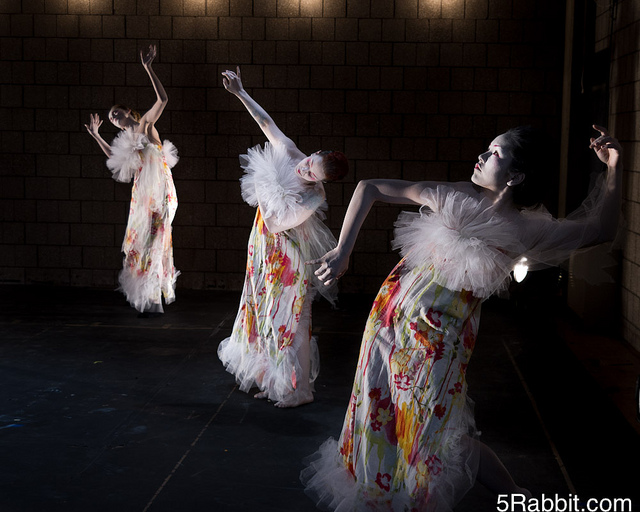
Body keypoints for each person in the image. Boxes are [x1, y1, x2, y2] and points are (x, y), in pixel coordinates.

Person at [301, 125, 622, 510]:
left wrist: (615, 166)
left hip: (441, 340)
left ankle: (516, 498)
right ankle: (380, 495)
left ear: (516, 175)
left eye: (496, 153)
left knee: (436, 434)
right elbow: (369, 186)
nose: (484, 156)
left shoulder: (527, 229)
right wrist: (342, 252)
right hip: (390, 322)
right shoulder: (454, 194)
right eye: (486, 148)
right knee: (377, 410)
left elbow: (601, 230)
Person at [217, 67, 349, 408]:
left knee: (290, 318)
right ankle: (277, 381)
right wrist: (240, 92)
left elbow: (276, 222)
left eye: (311, 173)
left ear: (322, 181)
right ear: (313, 152)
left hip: (287, 256)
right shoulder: (292, 153)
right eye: (309, 163)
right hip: (262, 248)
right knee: (263, 314)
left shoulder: (314, 196)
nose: (304, 171)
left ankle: (300, 389)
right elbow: (266, 124)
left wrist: (265, 181)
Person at [85, 45, 179, 316]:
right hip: (142, 194)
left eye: (116, 113)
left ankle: (156, 289)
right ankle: (148, 292)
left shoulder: (145, 126)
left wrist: (148, 68)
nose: (113, 118)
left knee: (157, 236)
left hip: (160, 188)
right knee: (141, 240)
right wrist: (97, 136)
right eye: (111, 119)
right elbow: (116, 157)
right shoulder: (126, 140)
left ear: (127, 111)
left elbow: (162, 100)